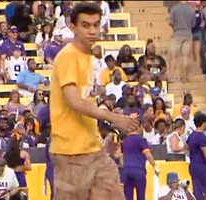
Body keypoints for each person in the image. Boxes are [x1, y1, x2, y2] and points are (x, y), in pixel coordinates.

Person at [49, 3, 138, 200]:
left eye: (96, 25)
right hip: (70, 153)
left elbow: (87, 103)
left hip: (94, 149)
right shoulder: (67, 57)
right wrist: (113, 118)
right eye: (85, 25)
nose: (92, 31)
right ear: (72, 27)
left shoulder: (89, 58)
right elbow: (74, 102)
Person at [122, 121, 159, 200]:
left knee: (128, 196)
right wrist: (155, 166)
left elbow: (121, 156)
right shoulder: (141, 140)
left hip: (126, 170)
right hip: (138, 170)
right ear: (139, 127)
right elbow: (147, 154)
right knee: (141, 196)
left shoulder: (125, 141)